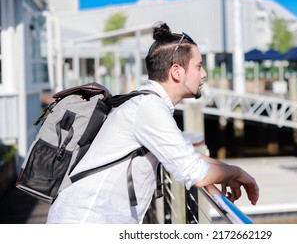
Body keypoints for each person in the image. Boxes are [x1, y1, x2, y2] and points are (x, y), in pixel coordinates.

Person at [46, 22, 259, 224]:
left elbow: (183, 154)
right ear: (177, 72)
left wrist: (231, 169)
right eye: (199, 66)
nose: (203, 74)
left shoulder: (144, 101)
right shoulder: (148, 107)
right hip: (86, 222)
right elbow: (193, 171)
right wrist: (236, 173)